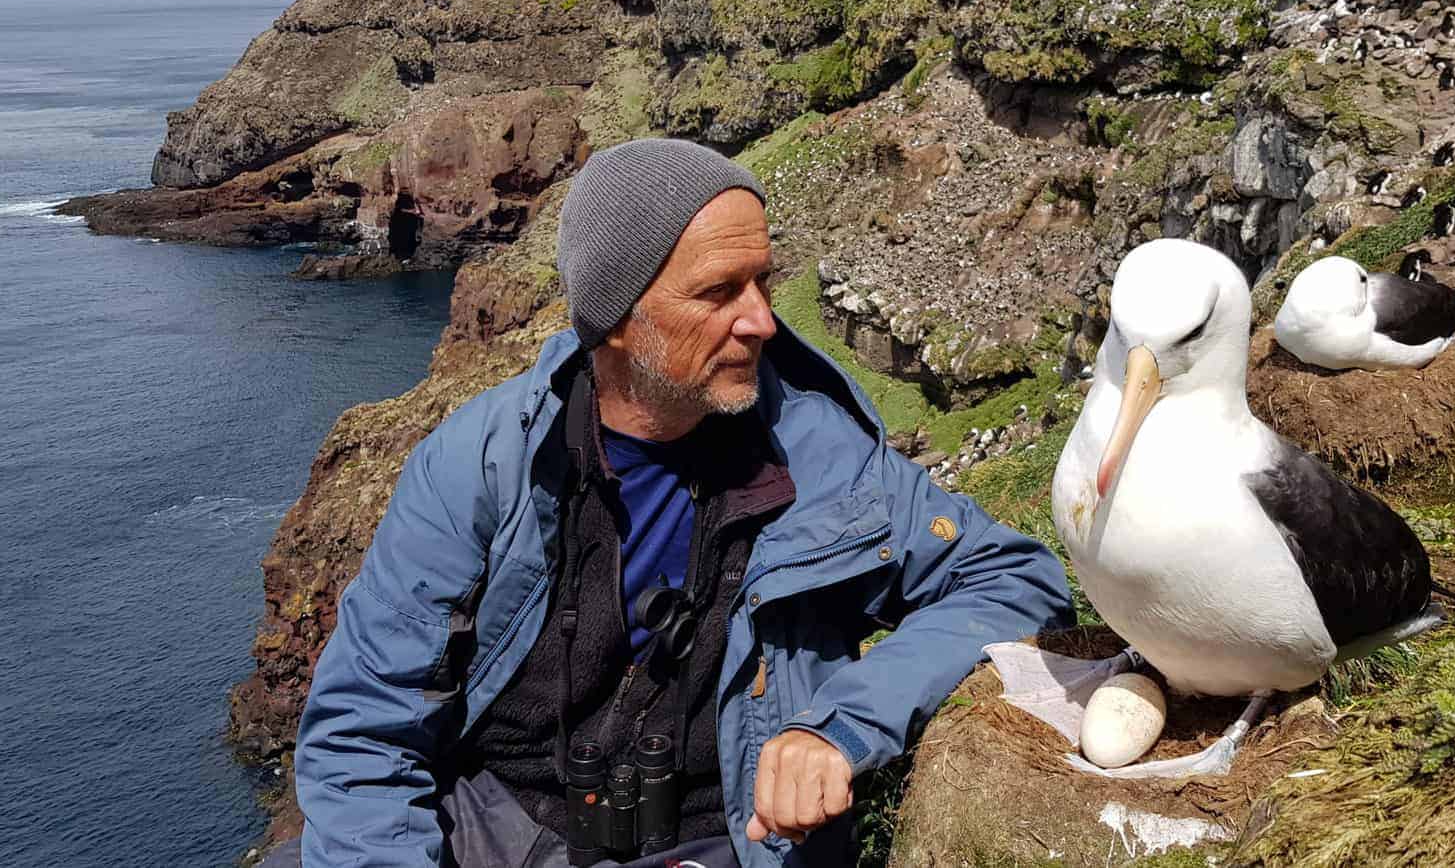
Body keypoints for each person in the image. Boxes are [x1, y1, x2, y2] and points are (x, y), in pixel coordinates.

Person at [277, 137, 1074, 868]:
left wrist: (838, 727)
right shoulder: (482, 467)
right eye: (719, 292)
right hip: (502, 830)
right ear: (618, 318)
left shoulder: (821, 457)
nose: (761, 320)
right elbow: (363, 735)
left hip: (731, 840)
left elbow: (1014, 581)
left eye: (764, 281)